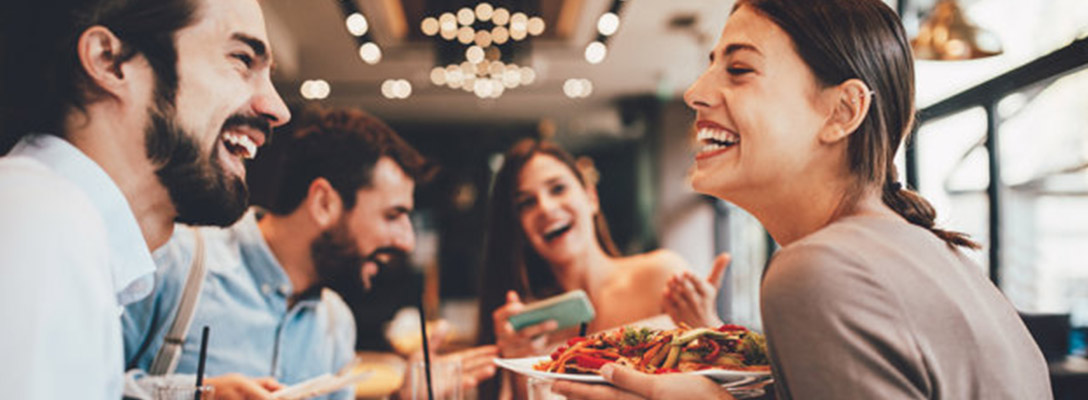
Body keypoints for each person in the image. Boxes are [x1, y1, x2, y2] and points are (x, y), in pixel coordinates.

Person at [552, 0, 1051, 399]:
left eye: (740, 69)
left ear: (841, 111)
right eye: (711, 67)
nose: (696, 92)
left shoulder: (817, 267)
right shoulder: (936, 254)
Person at [0, 0, 290, 398]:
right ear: (110, 61)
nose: (277, 109)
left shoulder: (62, 226)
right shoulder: (43, 225)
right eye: (241, 59)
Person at [123, 107, 498, 400]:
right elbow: (74, 384)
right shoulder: (174, 263)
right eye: (392, 215)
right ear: (323, 202)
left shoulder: (335, 323)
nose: (406, 241)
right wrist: (201, 393)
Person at [476, 139, 695, 398]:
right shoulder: (530, 329)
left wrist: (708, 324)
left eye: (557, 189)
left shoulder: (661, 276)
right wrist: (519, 363)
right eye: (526, 203)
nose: (546, 208)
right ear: (519, 228)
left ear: (591, 198)